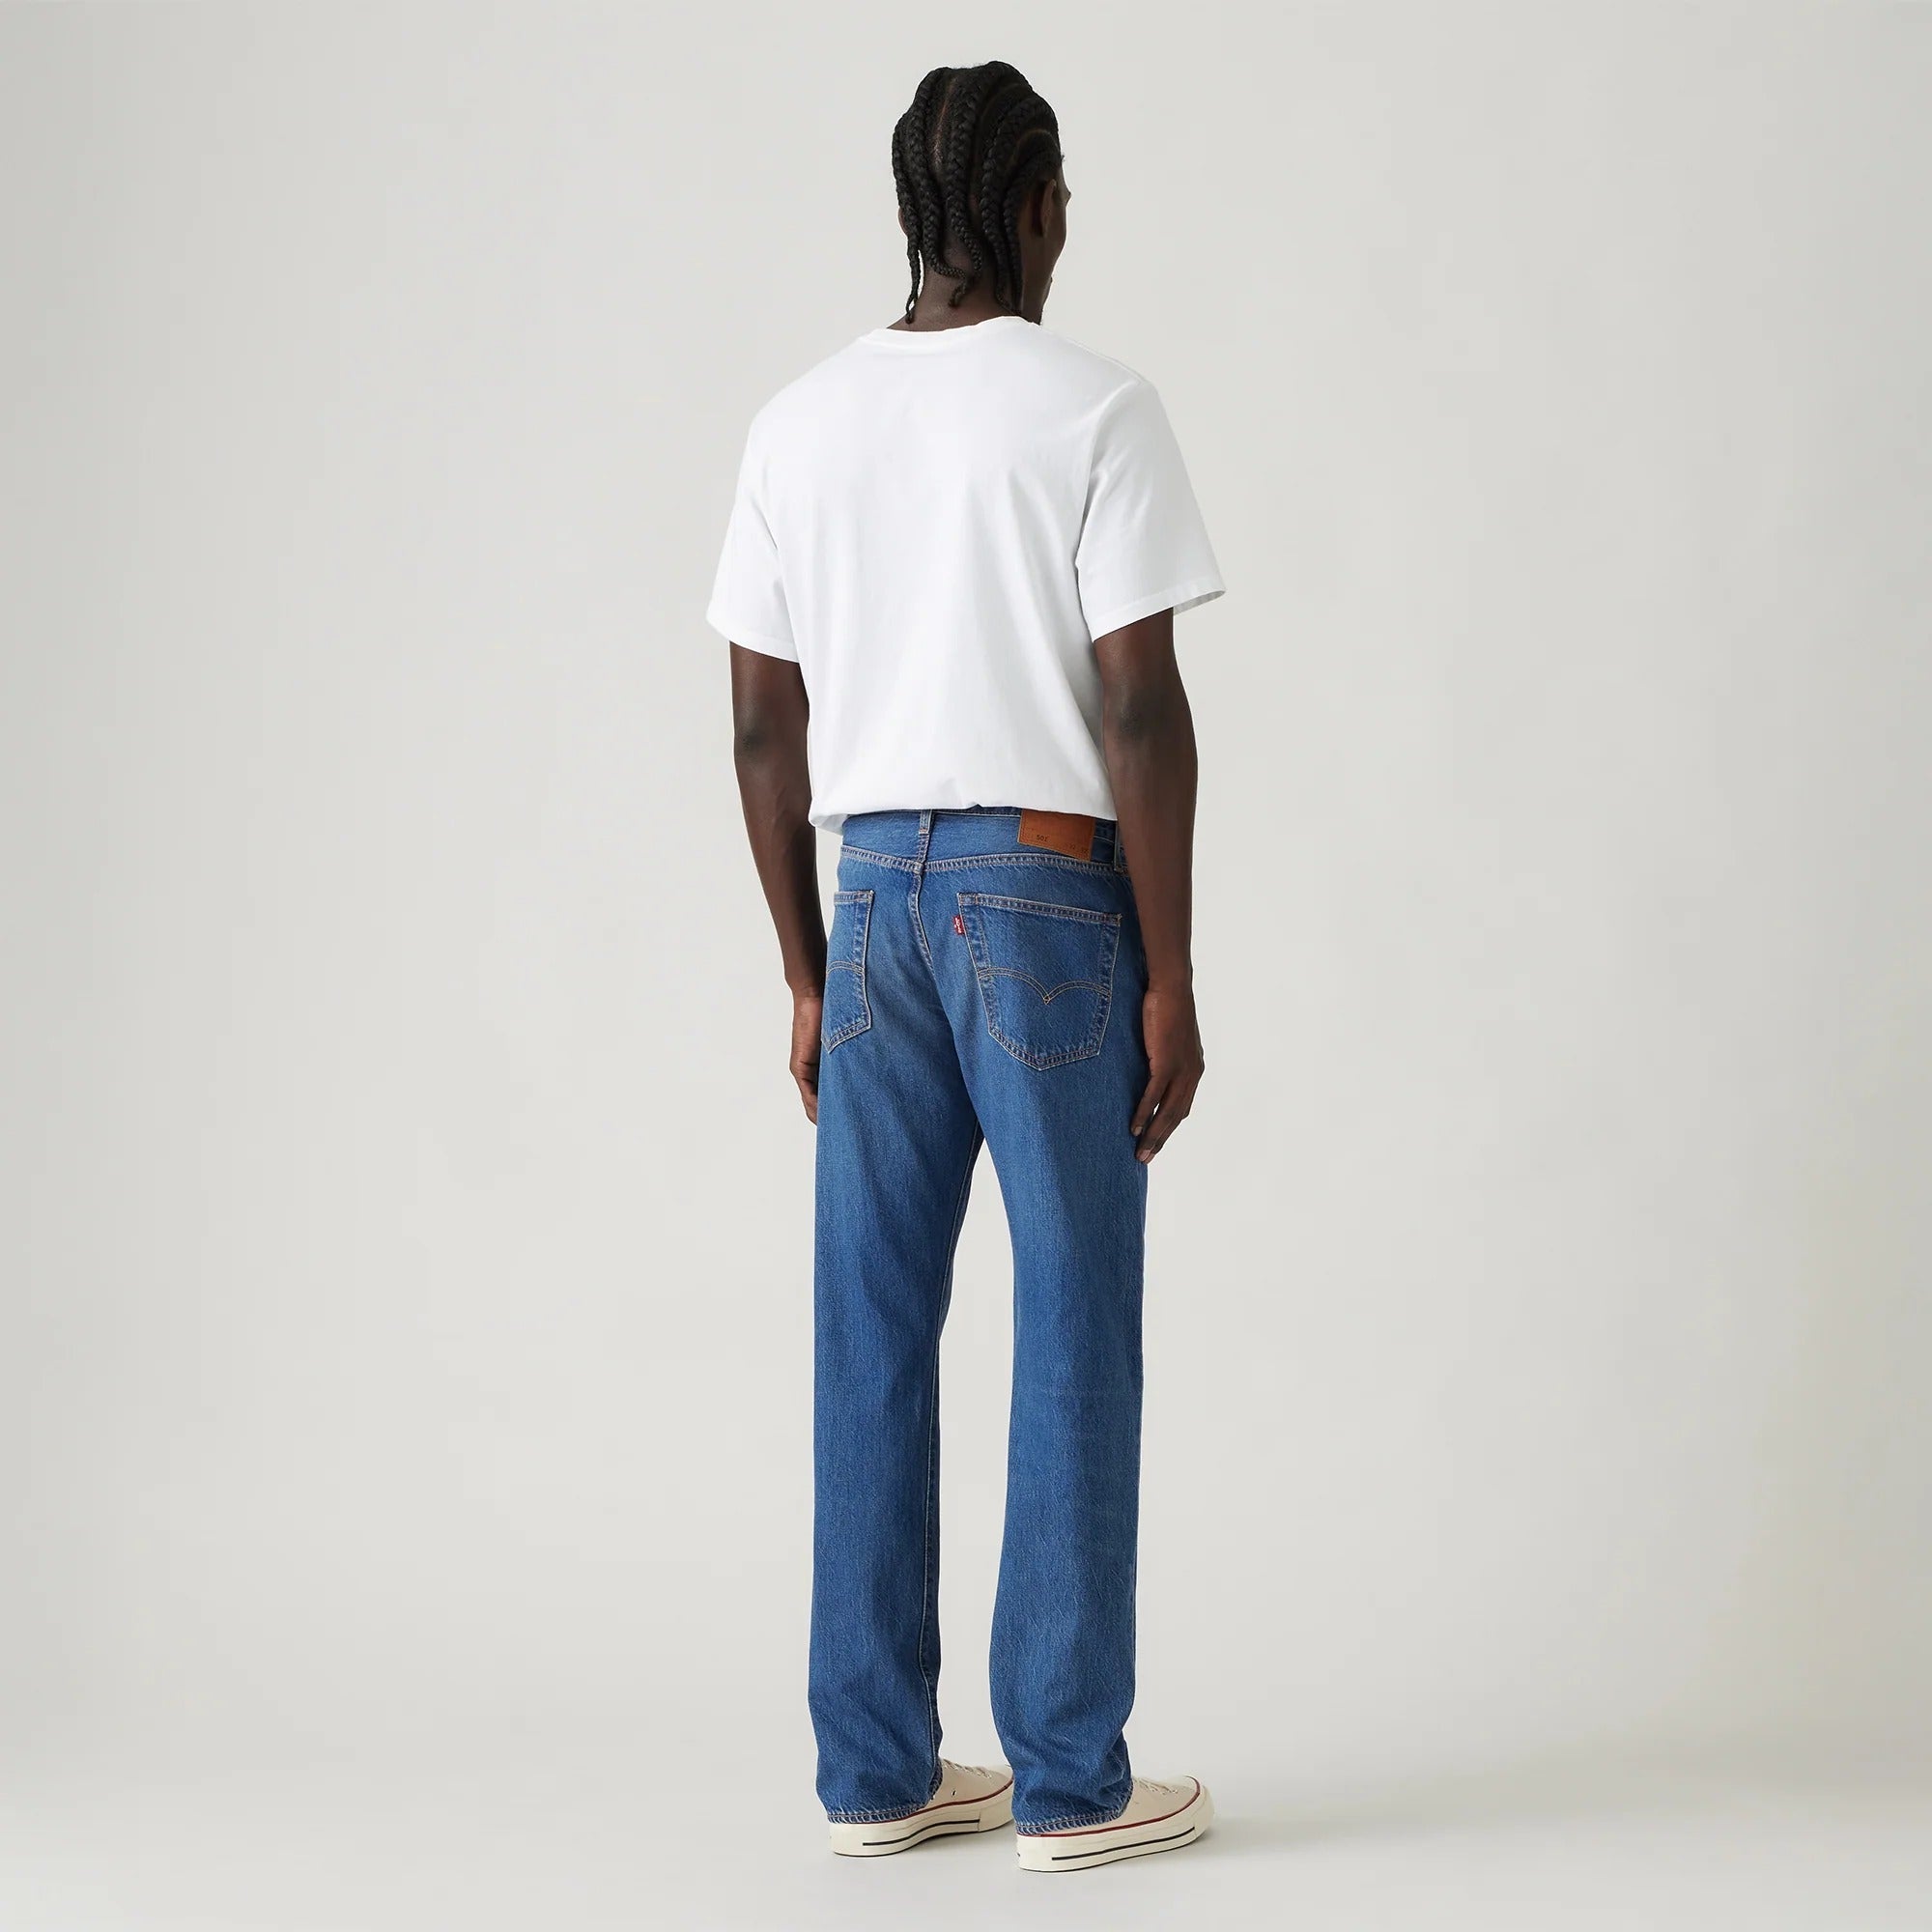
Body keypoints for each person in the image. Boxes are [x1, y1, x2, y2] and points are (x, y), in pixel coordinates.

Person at [707, 60, 1223, 1873]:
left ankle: (875, 1772)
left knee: (869, 1327)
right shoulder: (1095, 408)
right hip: (1048, 902)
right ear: (1027, 204)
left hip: (870, 906)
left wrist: (805, 972)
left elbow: (762, 729)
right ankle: (1070, 1781)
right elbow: (1139, 707)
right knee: (1074, 1315)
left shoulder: (797, 424)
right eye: (1061, 198)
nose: (1067, 226)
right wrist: (1170, 972)